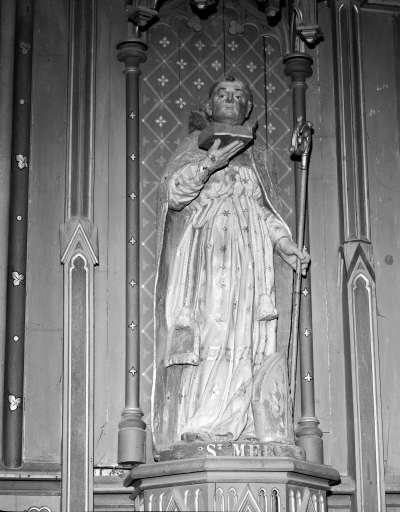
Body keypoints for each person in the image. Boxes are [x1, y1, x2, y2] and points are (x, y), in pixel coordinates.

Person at [152, 76, 309, 450]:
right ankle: (205, 420)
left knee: (249, 335)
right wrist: (209, 162)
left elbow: (265, 209)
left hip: (252, 257)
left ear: (248, 108)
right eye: (222, 94)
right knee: (215, 327)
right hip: (209, 252)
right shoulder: (194, 145)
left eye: (239, 95)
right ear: (209, 106)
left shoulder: (258, 155)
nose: (230, 99)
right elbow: (174, 195)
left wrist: (284, 242)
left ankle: (245, 423)